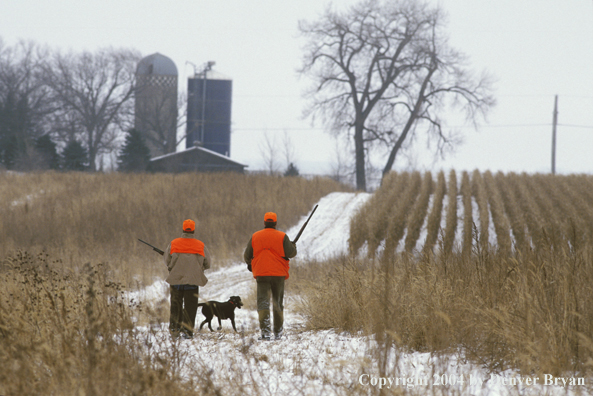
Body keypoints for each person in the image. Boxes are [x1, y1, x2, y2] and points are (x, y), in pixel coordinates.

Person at [244, 212, 297, 340]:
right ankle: (278, 332)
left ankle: (265, 333)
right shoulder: (282, 236)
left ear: (264, 223)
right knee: (277, 302)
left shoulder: (255, 236)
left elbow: (247, 256)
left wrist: (251, 264)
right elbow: (291, 253)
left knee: (263, 302)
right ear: (275, 223)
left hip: (262, 274)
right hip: (278, 274)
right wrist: (293, 245)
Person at [164, 219, 211, 339]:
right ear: (193, 230)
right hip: (193, 280)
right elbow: (207, 263)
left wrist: (172, 267)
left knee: (176, 304)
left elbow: (167, 260)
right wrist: (199, 269)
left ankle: (174, 329)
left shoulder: (174, 243)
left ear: (183, 229)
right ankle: (187, 331)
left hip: (176, 280)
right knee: (190, 306)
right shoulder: (200, 245)